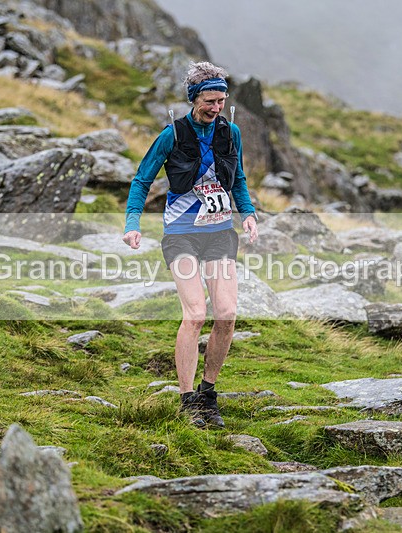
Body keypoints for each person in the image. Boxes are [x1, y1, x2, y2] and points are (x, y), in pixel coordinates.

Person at [122, 61, 258, 428]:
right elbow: (141, 181)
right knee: (196, 314)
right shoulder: (172, 135)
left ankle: (207, 395)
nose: (216, 108)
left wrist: (247, 213)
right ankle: (186, 401)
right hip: (180, 235)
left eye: (221, 100)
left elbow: (239, 177)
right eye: (209, 101)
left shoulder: (231, 133)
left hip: (219, 234)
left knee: (226, 314)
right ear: (193, 98)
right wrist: (132, 224)